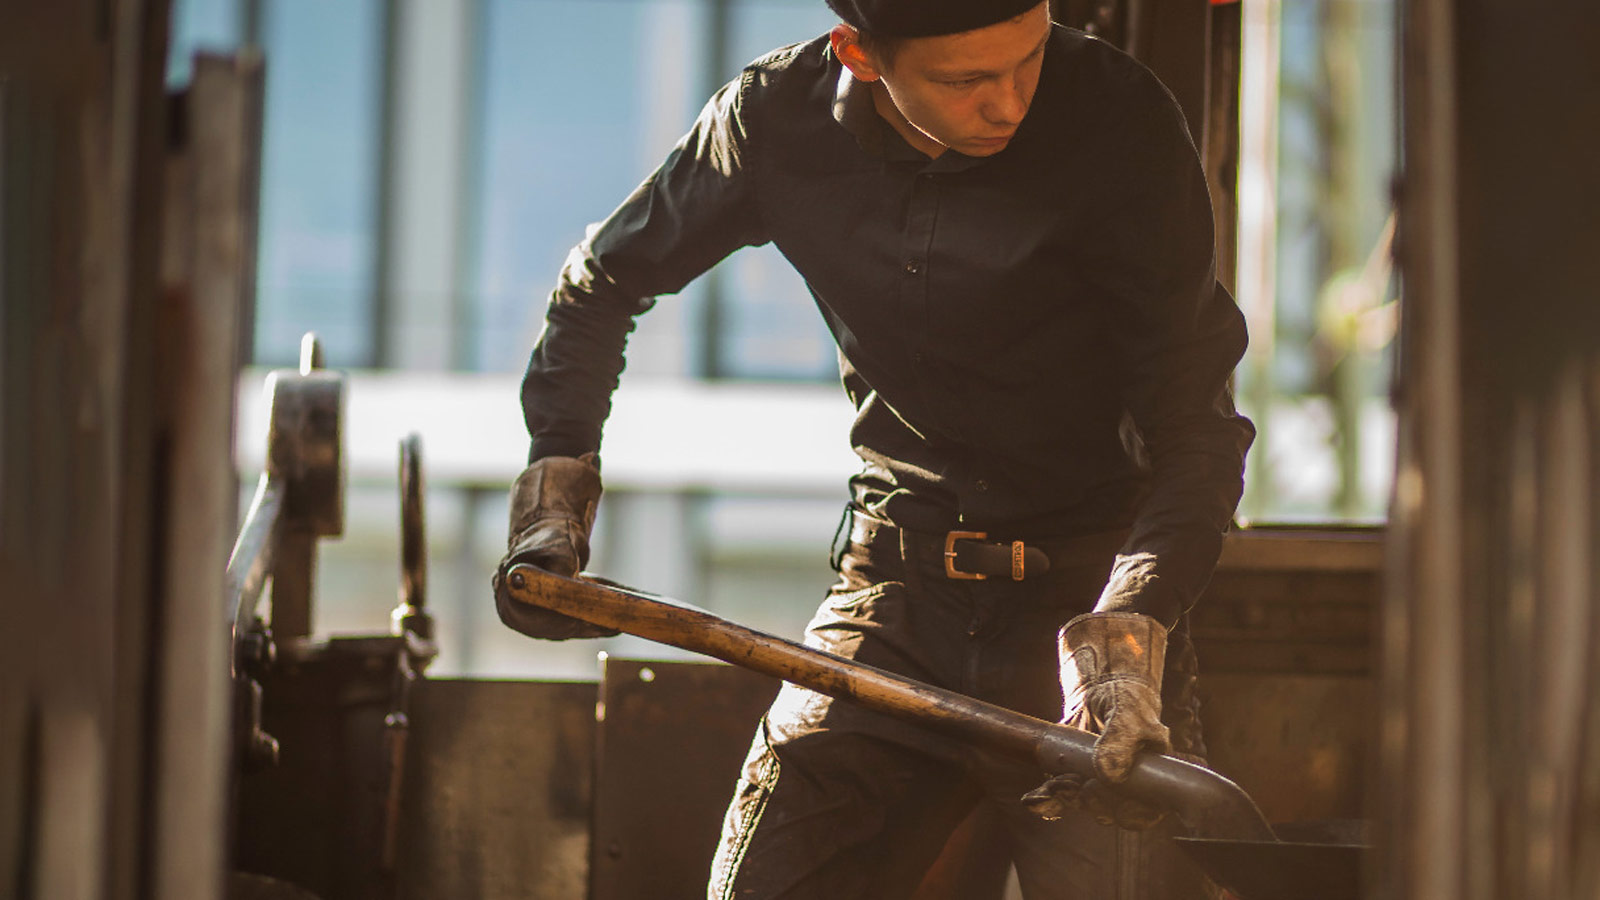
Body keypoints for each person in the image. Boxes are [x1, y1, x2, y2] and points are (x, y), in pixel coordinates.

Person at [491, 0, 1254, 897]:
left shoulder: (1120, 117)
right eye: (967, 81)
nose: (1010, 104)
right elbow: (601, 282)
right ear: (858, 54)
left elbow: (1198, 424)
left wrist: (1134, 620)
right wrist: (554, 499)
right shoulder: (772, 120)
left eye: (1029, 58)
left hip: (1091, 608)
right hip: (893, 600)